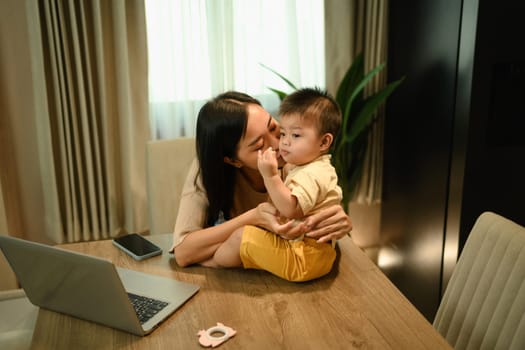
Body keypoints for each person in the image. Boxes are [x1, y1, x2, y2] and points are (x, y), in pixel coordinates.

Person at [171, 91, 352, 278]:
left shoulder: (299, 153)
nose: (280, 143)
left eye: (274, 128)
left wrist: (337, 218)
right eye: (259, 146)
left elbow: (318, 207)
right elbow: (184, 254)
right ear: (233, 160)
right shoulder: (208, 172)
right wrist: (254, 217)